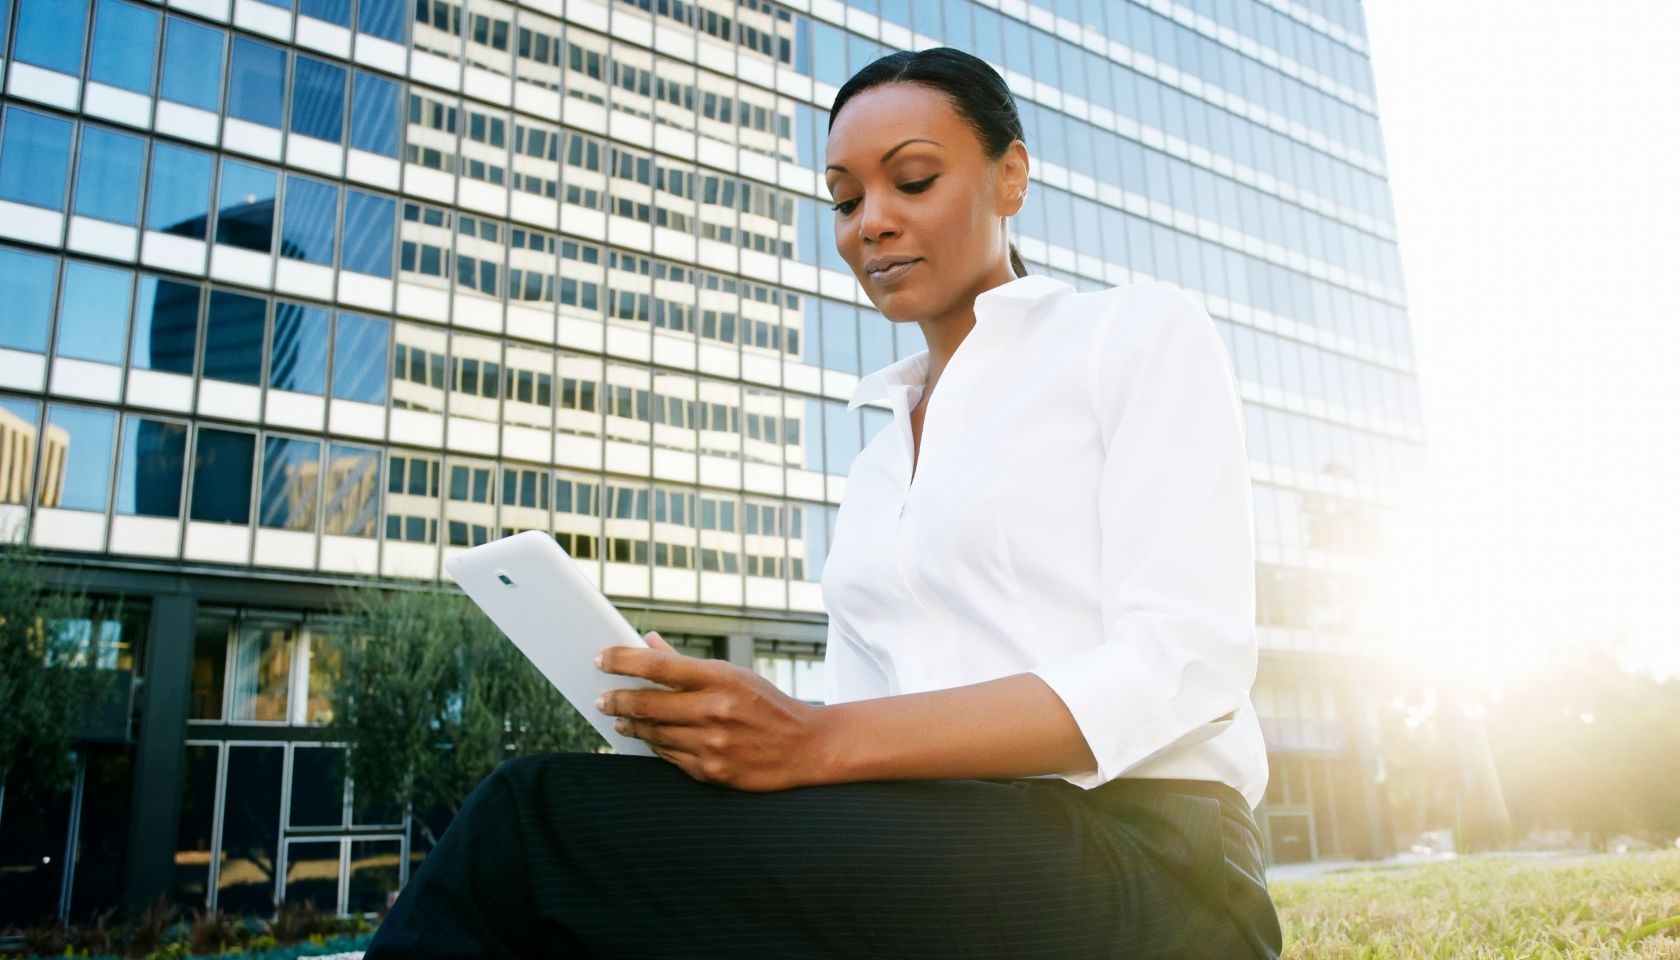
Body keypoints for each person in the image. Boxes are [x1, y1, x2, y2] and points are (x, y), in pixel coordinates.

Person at [365, 47, 1284, 959]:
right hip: (944, 852)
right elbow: (854, 745)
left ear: (1011, 178)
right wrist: (724, 738)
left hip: (1161, 869)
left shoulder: (1129, 335)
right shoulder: (878, 466)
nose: (870, 225)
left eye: (913, 180)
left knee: (532, 826)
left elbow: (1186, 665)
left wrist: (812, 740)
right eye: (845, 201)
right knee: (603, 872)